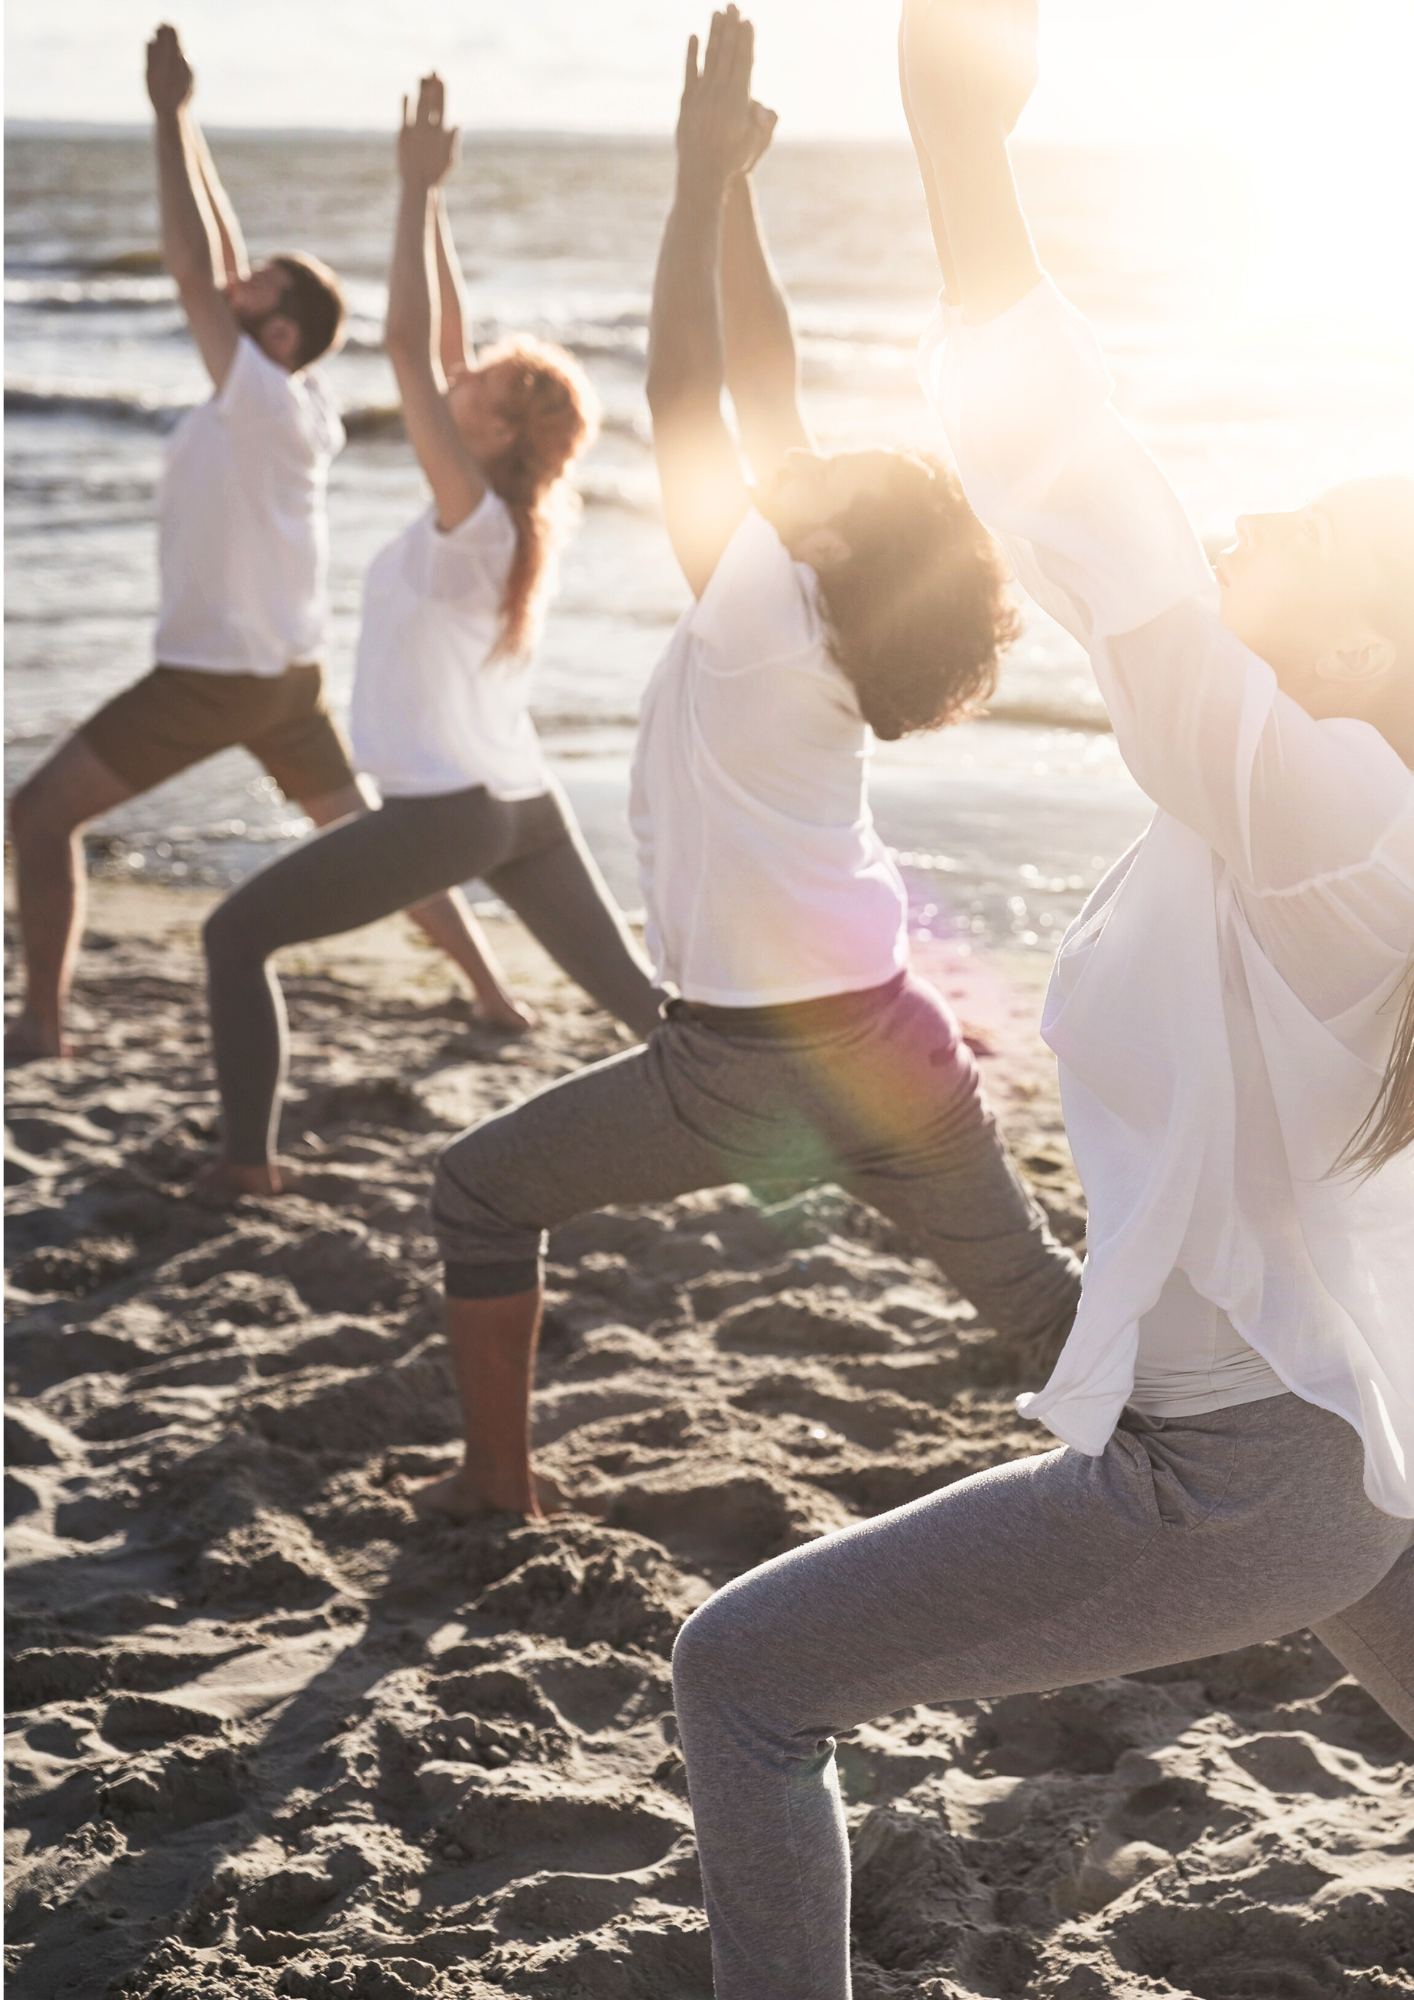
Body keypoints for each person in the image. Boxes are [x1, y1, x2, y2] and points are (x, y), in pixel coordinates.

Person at [669, 4, 1414, 1992]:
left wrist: (962, 155)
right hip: (1329, 1445)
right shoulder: (1291, 820)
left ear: (1360, 640)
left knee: (734, 1674)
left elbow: (1110, 532)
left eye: (1309, 534)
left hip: (1239, 1474)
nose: (1249, 523)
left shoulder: (1335, 814)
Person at [417, 8, 1082, 1524]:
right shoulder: (822, 613)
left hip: (743, 1066)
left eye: (827, 476)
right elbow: (763, 386)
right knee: (1047, 1309)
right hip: (897, 1044)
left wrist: (688, 180)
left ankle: (495, 1491)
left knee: (478, 1190)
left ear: (834, 533)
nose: (800, 461)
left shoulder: (758, 609)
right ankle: (1249, 1476)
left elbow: (686, 397)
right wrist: (733, 188)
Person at [196, 75, 663, 1201]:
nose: (462, 376)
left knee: (232, 938)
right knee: (650, 1009)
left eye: (484, 383)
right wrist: (438, 200)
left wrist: (409, 193)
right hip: (520, 802)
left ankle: (247, 1166)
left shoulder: (472, 519)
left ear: (496, 429)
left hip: (451, 812)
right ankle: (813, 1113)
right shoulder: (515, 509)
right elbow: (443, 341)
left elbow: (408, 345)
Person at [6, 24, 361, 1063]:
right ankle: (489, 990)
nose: (240, 279)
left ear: (281, 333)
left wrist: (164, 117)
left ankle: (39, 1021)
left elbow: (189, 265)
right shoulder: (286, 396)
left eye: (263, 286)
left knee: (35, 814)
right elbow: (216, 254)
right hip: (284, 675)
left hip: (210, 678)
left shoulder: (255, 398)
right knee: (370, 842)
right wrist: (191, 119)